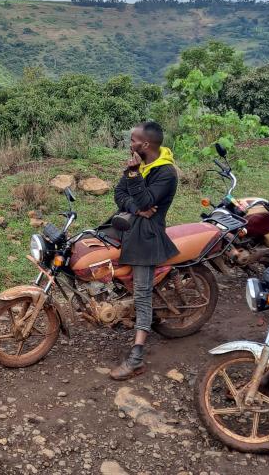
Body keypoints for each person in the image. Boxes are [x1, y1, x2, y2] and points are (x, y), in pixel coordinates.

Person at [109, 121, 179, 381]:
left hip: (147, 236)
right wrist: (135, 206)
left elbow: (148, 201)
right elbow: (119, 193)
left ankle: (136, 357)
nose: (130, 144)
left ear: (145, 145)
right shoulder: (137, 165)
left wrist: (135, 177)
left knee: (142, 294)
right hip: (128, 223)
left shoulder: (166, 172)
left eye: (133, 140)